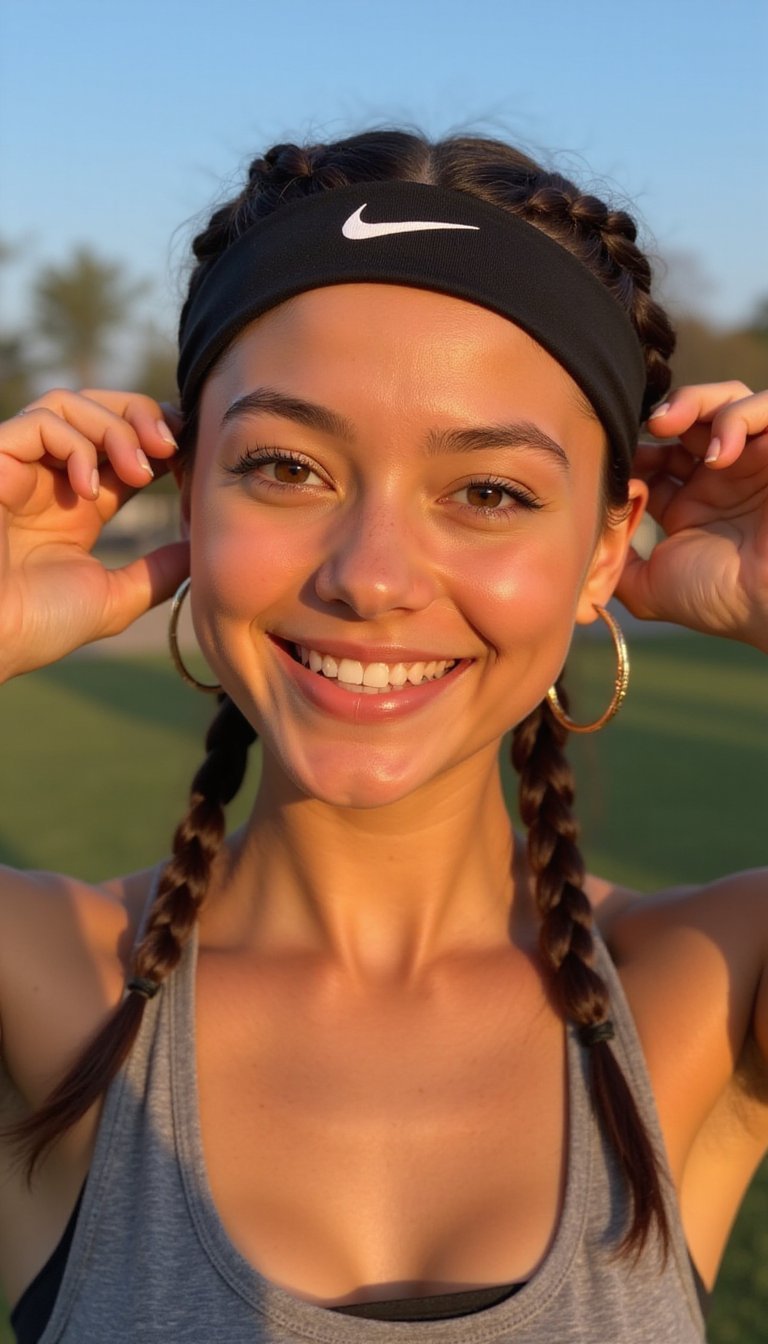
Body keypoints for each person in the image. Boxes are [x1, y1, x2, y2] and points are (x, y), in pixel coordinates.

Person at [0, 129, 765, 1344]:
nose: (373, 577)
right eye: (287, 466)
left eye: (492, 492)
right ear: (189, 492)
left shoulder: (712, 990)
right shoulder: (42, 986)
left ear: (608, 550)